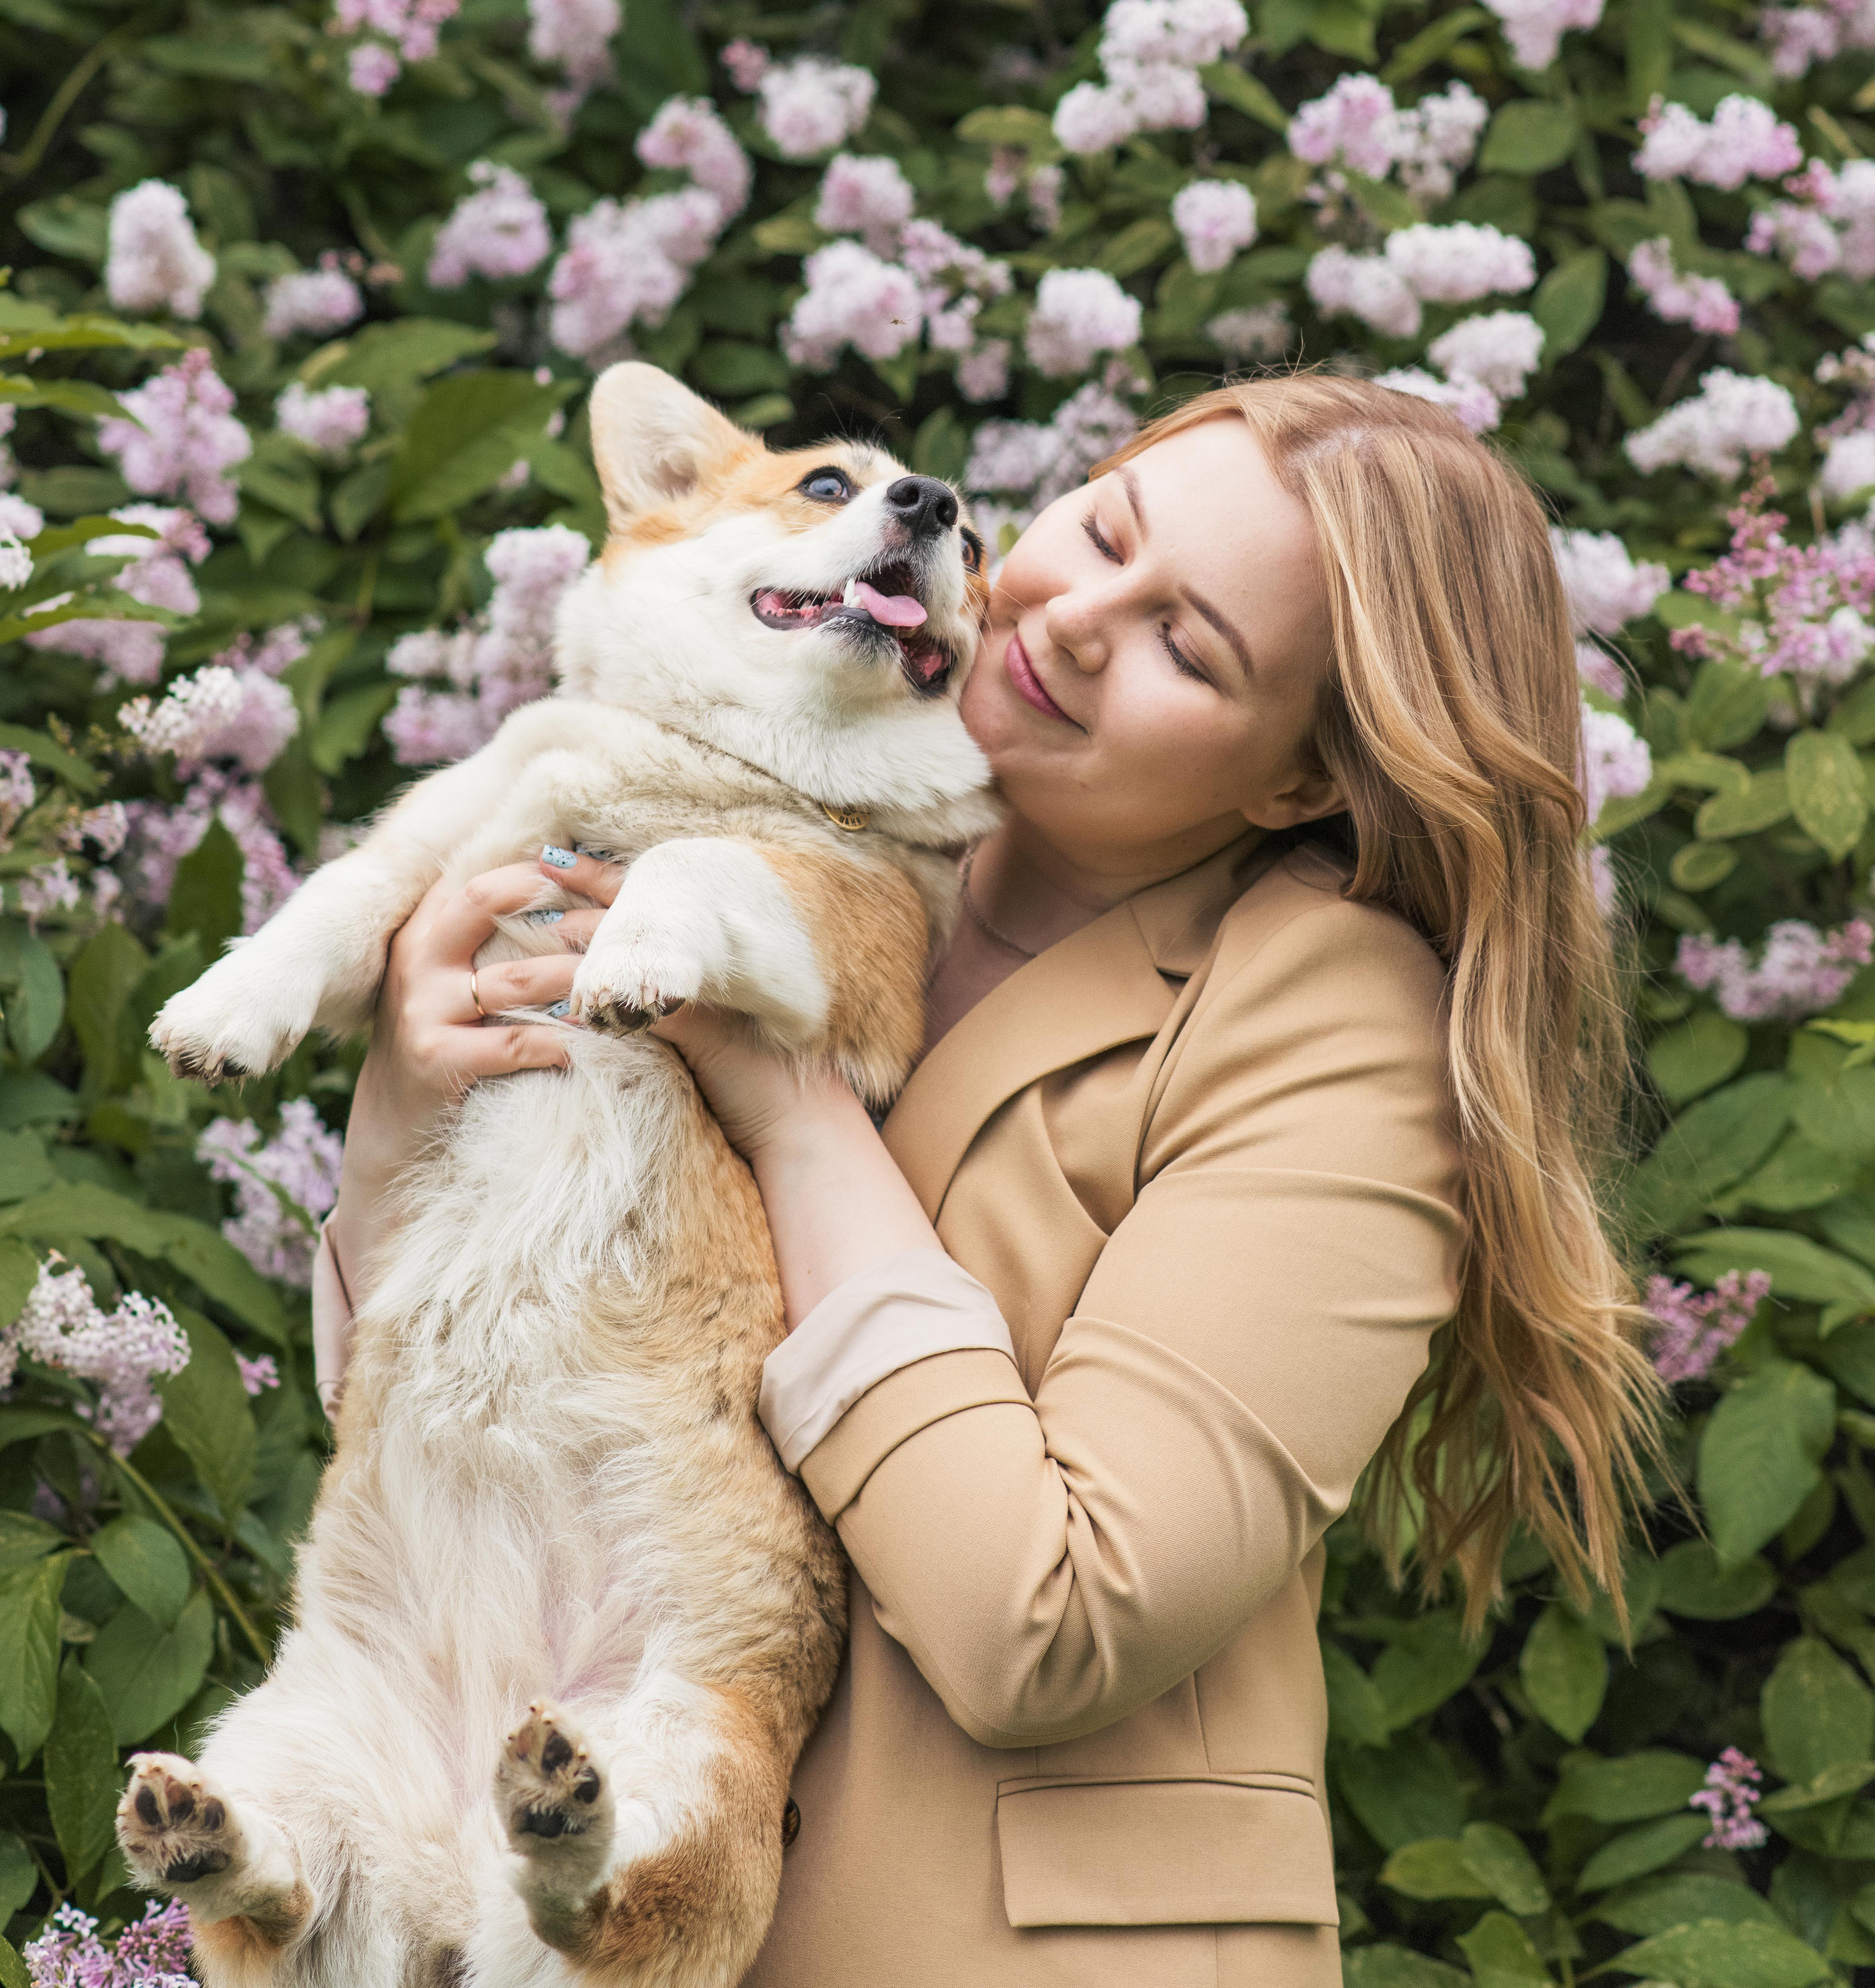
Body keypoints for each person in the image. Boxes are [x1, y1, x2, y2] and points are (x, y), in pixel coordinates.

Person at [319, 373, 1659, 1986]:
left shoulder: (1332, 1020)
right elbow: (464, 1444)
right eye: (1099, 525)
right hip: (590, 1906)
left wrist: (794, 1109)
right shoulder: (782, 796)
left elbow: (1053, 1616)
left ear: (1298, 781)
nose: (1080, 614)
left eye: (1186, 643)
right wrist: (400, 1112)